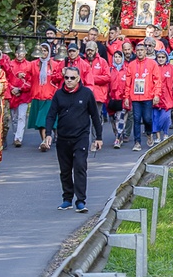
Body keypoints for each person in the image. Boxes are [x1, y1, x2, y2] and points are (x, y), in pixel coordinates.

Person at [43, 67, 103, 213]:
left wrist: (99, 138)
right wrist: (48, 133)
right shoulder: (59, 94)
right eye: (67, 78)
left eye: (72, 78)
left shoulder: (86, 94)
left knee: (80, 166)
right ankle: (67, 199)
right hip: (63, 138)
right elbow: (51, 115)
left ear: (78, 79)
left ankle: (81, 200)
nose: (69, 81)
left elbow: (95, 116)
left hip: (81, 137)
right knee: (65, 170)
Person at [125, 43, 162, 151]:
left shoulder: (152, 64)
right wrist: (126, 97)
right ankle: (137, 142)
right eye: (138, 50)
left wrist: (156, 95)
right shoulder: (131, 65)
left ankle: (149, 133)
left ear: (146, 51)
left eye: (142, 50)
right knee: (136, 119)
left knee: (147, 119)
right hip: (135, 97)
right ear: (135, 52)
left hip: (148, 96)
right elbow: (128, 83)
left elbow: (157, 81)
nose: (140, 52)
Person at [28, 42, 62, 151]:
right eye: (42, 51)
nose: (43, 53)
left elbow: (59, 77)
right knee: (40, 122)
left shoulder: (54, 64)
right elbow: (27, 75)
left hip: (50, 96)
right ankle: (44, 140)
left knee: (45, 119)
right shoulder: (34, 64)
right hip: (37, 96)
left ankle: (50, 137)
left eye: (45, 51)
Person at [152, 50, 173, 143]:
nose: (161, 59)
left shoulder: (171, 68)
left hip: (167, 98)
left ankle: (165, 134)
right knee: (155, 117)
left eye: (163, 57)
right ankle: (158, 136)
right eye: (159, 57)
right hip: (155, 97)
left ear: (166, 58)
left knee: (166, 117)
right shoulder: (153, 68)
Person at [83, 41, 111, 144]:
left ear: (96, 50)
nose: (90, 52)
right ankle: (85, 140)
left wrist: (92, 78)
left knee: (96, 118)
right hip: (85, 94)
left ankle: (96, 140)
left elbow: (108, 77)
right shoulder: (82, 61)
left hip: (98, 95)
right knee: (85, 118)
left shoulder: (102, 62)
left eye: (91, 50)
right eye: (88, 50)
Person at [107, 50, 129, 148]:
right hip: (111, 98)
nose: (117, 59)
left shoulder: (127, 70)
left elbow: (129, 84)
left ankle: (118, 139)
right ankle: (118, 135)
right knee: (113, 120)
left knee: (120, 120)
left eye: (119, 57)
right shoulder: (110, 69)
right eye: (115, 57)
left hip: (123, 99)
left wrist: (127, 98)